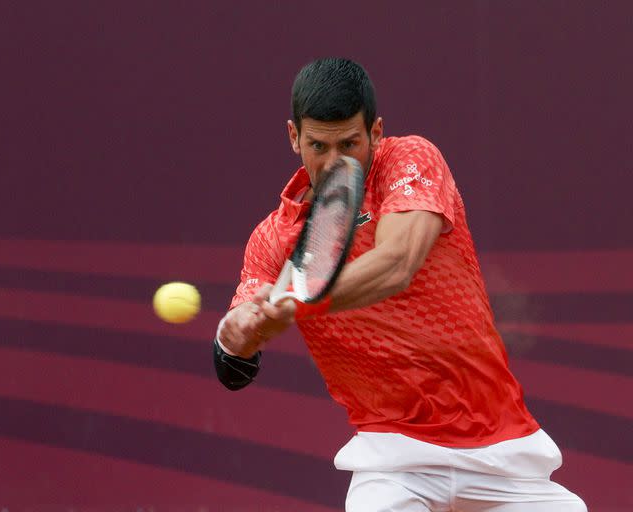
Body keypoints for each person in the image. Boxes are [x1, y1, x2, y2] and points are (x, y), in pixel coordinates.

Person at [212, 58, 586, 512]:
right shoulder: (272, 240)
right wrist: (237, 335)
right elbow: (239, 352)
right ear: (294, 137)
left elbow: (397, 264)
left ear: (375, 132)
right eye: (318, 145)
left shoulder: (408, 159)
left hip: (501, 453)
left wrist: (302, 299)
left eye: (349, 144)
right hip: (392, 464)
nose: (334, 163)